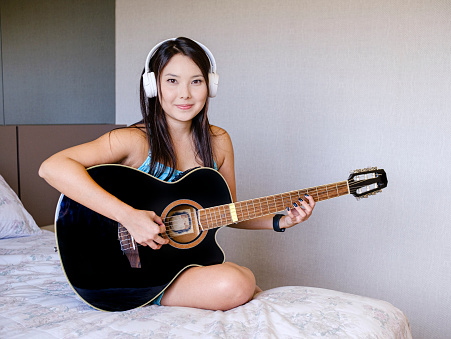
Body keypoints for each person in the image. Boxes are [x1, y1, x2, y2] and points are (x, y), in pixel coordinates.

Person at [39, 37, 315, 311]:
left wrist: (280, 221)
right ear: (152, 86)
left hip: (179, 264)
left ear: (210, 86)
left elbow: (226, 211)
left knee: (240, 283)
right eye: (172, 81)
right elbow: (52, 167)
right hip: (126, 271)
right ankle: (144, 294)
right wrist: (129, 217)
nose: (185, 94)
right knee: (238, 283)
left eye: (196, 81)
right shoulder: (133, 140)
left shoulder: (219, 141)